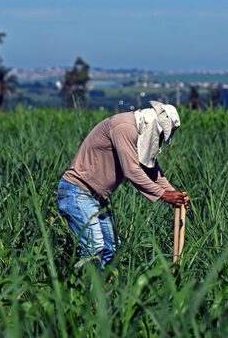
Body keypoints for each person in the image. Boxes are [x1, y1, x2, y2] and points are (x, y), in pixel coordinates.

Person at [57, 101, 190, 267]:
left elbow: (151, 170)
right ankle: (80, 290)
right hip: (78, 191)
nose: (161, 140)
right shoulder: (124, 128)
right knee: (95, 249)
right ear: (156, 126)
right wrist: (163, 195)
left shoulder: (137, 130)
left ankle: (103, 289)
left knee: (112, 248)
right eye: (162, 136)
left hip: (97, 198)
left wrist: (174, 194)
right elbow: (132, 171)